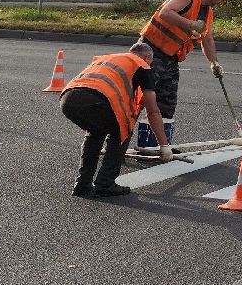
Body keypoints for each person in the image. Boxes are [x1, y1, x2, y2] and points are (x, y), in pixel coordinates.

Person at [60, 41, 171, 198]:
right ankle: (105, 183)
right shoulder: (143, 65)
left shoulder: (109, 58)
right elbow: (153, 111)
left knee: (95, 132)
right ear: (147, 57)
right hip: (96, 99)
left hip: (68, 99)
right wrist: (164, 146)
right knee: (123, 129)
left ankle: (82, 185)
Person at [138, 0, 231, 148]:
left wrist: (214, 63)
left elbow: (207, 38)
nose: (222, 3)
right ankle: (116, 145)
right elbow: (165, 13)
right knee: (137, 100)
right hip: (150, 52)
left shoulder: (207, 12)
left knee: (167, 102)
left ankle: (158, 147)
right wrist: (189, 24)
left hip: (171, 58)